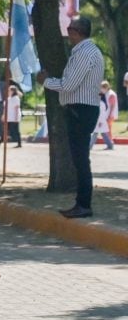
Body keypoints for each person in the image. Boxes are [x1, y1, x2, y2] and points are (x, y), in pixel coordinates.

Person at [38, 17, 105, 218]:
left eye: (70, 29)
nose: (68, 33)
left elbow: (68, 85)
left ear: (77, 32)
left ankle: (84, 204)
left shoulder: (84, 54)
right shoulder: (87, 51)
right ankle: (82, 203)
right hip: (82, 109)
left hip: (81, 110)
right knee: (80, 158)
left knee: (81, 159)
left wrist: (46, 81)